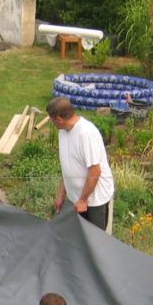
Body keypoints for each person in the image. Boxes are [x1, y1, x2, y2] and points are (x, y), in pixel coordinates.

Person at [46, 96, 114, 231]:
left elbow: (95, 171)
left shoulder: (86, 133)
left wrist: (83, 200)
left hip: (94, 200)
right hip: (77, 199)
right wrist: (61, 196)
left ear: (58, 119)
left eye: (52, 120)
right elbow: (68, 168)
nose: (52, 124)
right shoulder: (63, 132)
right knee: (78, 240)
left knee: (94, 242)